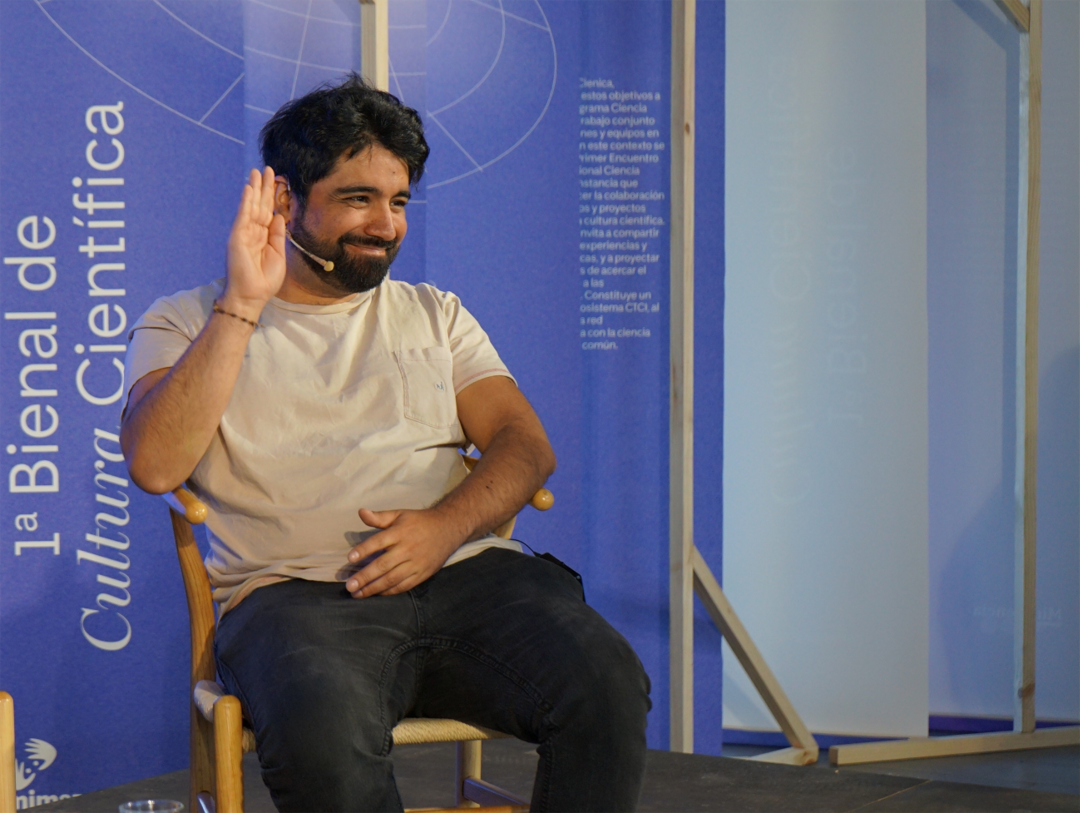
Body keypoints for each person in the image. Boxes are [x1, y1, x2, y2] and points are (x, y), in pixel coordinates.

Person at [120, 75, 650, 812]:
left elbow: (525, 445)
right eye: (357, 198)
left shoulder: (436, 314)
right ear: (283, 199)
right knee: (321, 731)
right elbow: (153, 464)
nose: (387, 225)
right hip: (298, 601)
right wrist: (243, 303)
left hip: (467, 577)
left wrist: (442, 529)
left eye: (398, 201)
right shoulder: (186, 320)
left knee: (607, 680)